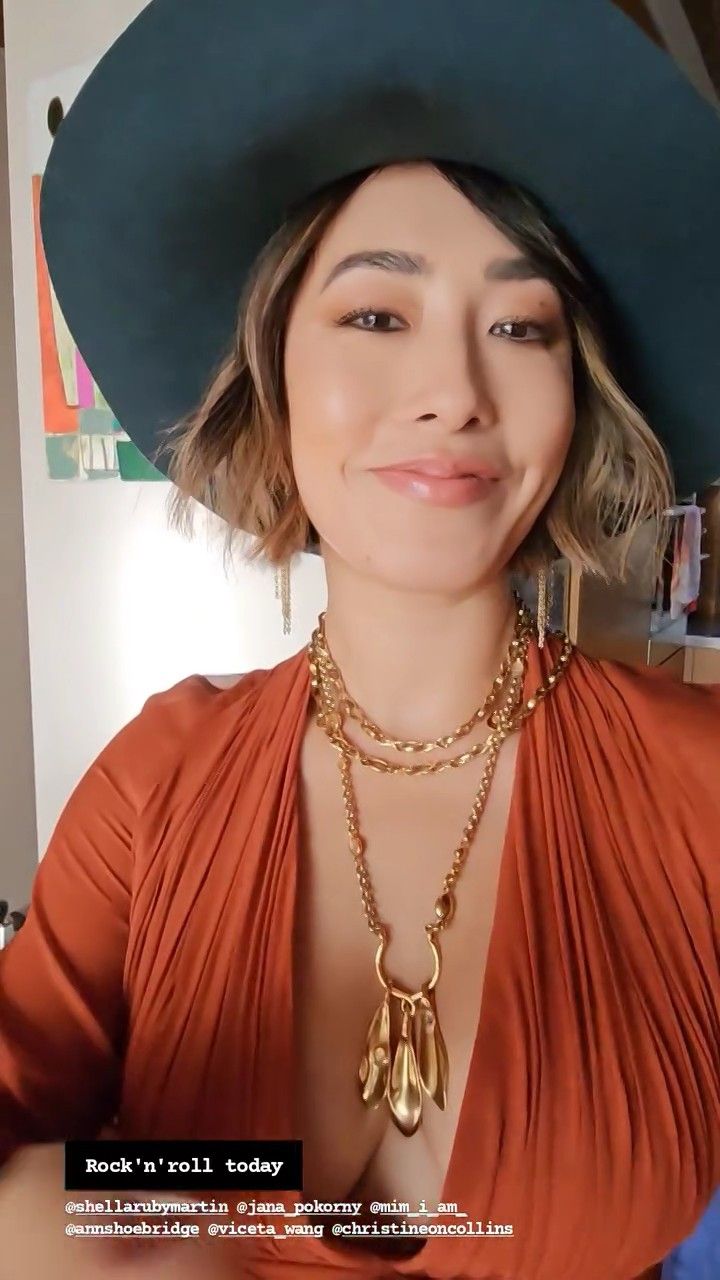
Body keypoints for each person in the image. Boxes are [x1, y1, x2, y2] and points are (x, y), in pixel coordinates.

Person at [1, 2, 719, 1278]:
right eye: (377, 316)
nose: (453, 390)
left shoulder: (701, 784)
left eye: (522, 327)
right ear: (272, 377)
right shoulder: (157, 783)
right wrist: (109, 1203)